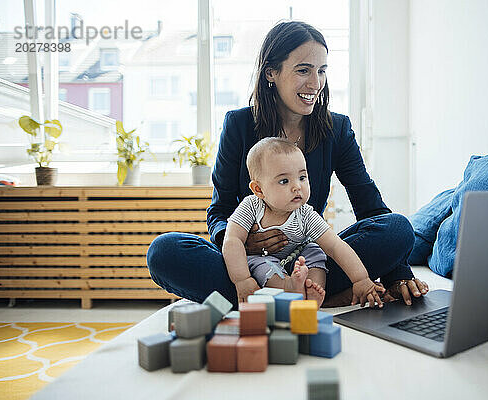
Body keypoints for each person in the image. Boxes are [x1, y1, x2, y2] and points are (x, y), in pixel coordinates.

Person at [147, 20, 428, 308]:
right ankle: (311, 297)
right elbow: (219, 211)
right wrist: (245, 242)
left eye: (321, 71)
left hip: (308, 260)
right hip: (247, 262)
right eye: (303, 70)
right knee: (165, 251)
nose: (315, 83)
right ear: (271, 72)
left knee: (397, 228)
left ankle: (275, 299)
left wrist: (398, 275)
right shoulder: (239, 125)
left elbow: (370, 208)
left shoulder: (337, 129)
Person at [224, 137, 385, 309]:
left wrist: (360, 279)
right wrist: (242, 280)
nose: (297, 187)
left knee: (315, 252)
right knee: (259, 265)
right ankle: (289, 288)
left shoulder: (305, 213)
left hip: (298, 256)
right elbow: (232, 240)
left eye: (302, 177)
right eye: (284, 181)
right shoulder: (251, 206)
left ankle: (312, 292)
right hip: (265, 259)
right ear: (259, 189)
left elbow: (335, 246)